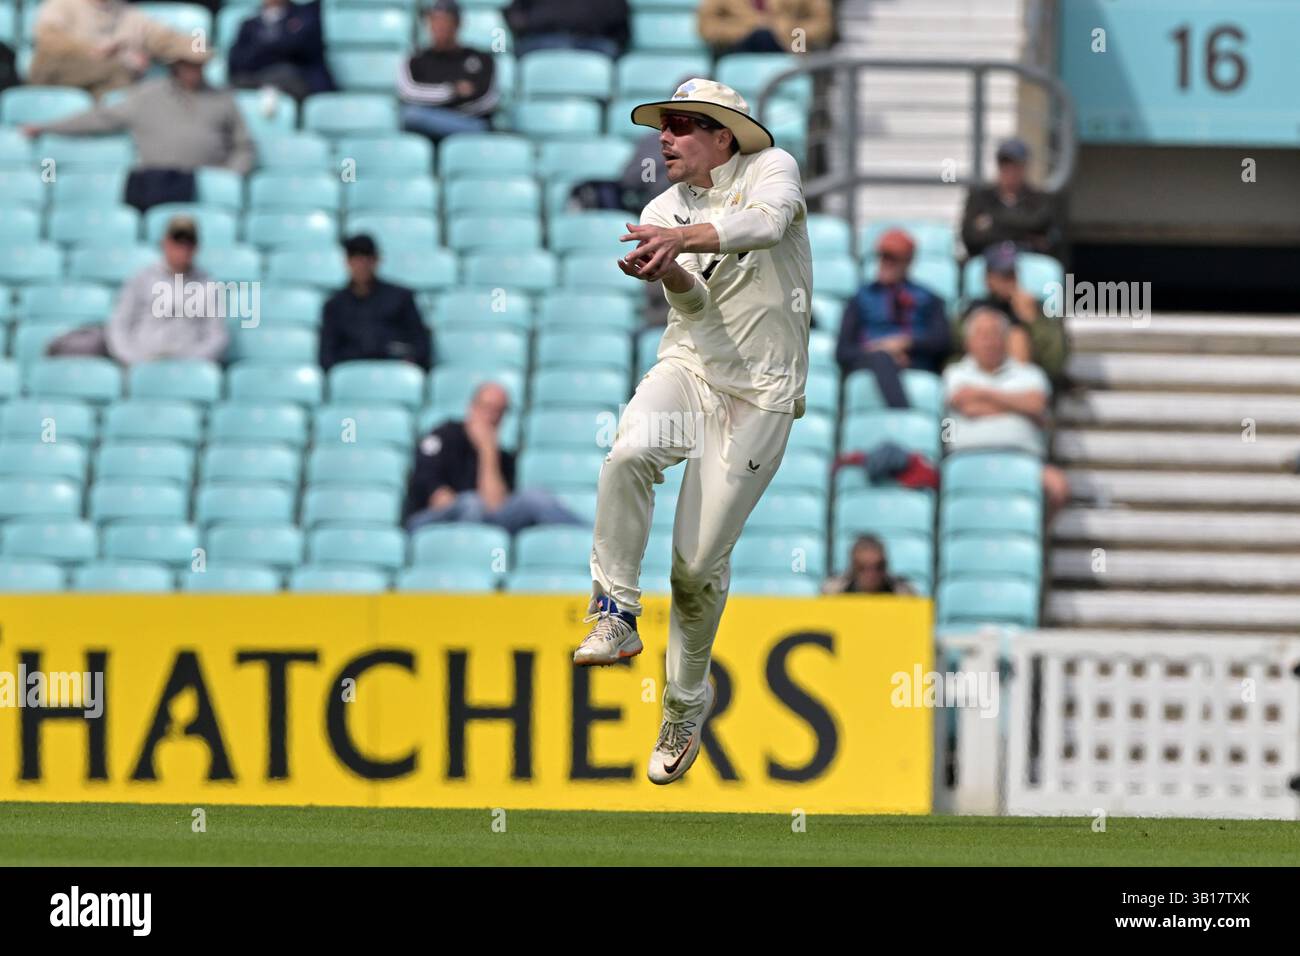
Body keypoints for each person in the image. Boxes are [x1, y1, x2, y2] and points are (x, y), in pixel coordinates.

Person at [574, 78, 812, 786]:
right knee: (628, 454)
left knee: (696, 568)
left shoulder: (774, 168)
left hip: (762, 391)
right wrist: (673, 266)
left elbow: (765, 226)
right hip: (692, 363)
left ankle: (683, 704)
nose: (665, 138)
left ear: (723, 134)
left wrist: (682, 240)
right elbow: (695, 302)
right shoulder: (662, 206)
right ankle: (613, 610)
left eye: (681, 125)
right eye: (662, 126)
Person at [23, 49, 255, 211]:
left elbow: (244, 145)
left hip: (206, 181)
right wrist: (48, 127)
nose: (195, 70)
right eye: (189, 64)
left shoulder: (223, 99)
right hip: (157, 182)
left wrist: (228, 177)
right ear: (176, 67)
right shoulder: (147, 96)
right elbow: (100, 117)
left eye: (199, 65)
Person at [943, 308, 1069, 522]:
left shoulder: (1030, 373)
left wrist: (983, 393)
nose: (989, 342)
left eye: (994, 334)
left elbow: (1037, 403)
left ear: (1005, 339)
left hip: (1024, 459)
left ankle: (1035, 544)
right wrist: (1019, 407)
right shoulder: (954, 373)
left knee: (1058, 486)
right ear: (969, 342)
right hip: (966, 459)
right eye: (982, 335)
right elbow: (967, 406)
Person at [46, 215, 228, 364]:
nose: (182, 249)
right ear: (164, 243)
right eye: (177, 242)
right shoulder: (141, 279)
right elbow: (119, 327)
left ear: (196, 247)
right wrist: (135, 360)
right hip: (143, 361)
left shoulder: (207, 284)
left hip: (187, 367)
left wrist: (189, 363)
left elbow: (217, 336)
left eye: (188, 242)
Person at [403, 383, 582, 533]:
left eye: (499, 412)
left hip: (483, 521)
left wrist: (487, 451)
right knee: (471, 503)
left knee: (534, 498)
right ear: (471, 407)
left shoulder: (502, 457)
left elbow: (495, 505)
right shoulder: (443, 436)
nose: (491, 417)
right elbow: (438, 498)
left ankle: (595, 543)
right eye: (486, 408)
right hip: (428, 522)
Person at [836, 228, 951, 406]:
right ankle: (903, 414)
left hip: (915, 360)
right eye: (883, 257)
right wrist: (881, 349)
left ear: (908, 262)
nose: (885, 263)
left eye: (893, 259)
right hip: (871, 359)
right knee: (882, 358)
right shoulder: (860, 298)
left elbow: (942, 341)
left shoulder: (929, 298)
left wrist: (906, 343)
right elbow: (842, 351)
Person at [27, 0, 197, 97]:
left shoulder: (128, 13)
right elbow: (48, 40)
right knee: (120, 70)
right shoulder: (61, 4)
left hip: (107, 83)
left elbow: (163, 38)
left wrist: (197, 50)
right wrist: (98, 51)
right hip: (57, 76)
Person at [963, 241, 1069, 391]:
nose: (1010, 280)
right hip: (979, 380)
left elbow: (1055, 361)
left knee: (1018, 336)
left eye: (1012, 273)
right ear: (988, 279)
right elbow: (956, 353)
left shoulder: (1036, 307)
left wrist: (1034, 321)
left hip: (1026, 385)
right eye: (1003, 275)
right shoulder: (973, 310)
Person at [319, 235, 433, 372]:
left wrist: (408, 362)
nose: (362, 264)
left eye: (367, 258)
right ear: (347, 262)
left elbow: (421, 345)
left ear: (377, 260)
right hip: (353, 377)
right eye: (356, 258)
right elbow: (326, 355)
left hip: (394, 373)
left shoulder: (401, 298)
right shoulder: (335, 305)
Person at [397, 0, 498, 140]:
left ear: (457, 24)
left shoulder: (481, 59)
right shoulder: (416, 59)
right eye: (435, 20)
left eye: (445, 21)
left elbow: (488, 100)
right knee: (411, 115)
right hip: (425, 125)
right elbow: (407, 92)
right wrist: (453, 91)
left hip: (469, 125)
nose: (440, 26)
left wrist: (440, 110)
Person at [961, 137, 1062, 260]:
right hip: (988, 263)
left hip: (1026, 263)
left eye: (1015, 165)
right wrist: (1026, 235)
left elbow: (1046, 233)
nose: (1010, 171)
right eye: (1005, 165)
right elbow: (969, 237)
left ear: (1025, 167)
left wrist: (992, 223)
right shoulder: (980, 197)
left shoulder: (1039, 199)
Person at [227, 0, 334, 101]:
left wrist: (264, 48)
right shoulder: (249, 25)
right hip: (257, 80)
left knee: (285, 74)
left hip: (299, 83)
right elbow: (236, 61)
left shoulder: (307, 15)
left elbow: (299, 46)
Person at [697, 0, 832, 56]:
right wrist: (745, 31)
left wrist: (792, 33)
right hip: (739, 50)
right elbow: (706, 26)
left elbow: (823, 25)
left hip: (787, 49)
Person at [504, 0, 629, 59]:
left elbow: (620, 22)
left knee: (608, 49)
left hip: (592, 43)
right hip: (543, 40)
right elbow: (515, 15)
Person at [822, 535, 916, 595]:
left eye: (878, 567)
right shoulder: (833, 593)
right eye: (862, 567)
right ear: (852, 568)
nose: (871, 574)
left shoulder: (903, 594)